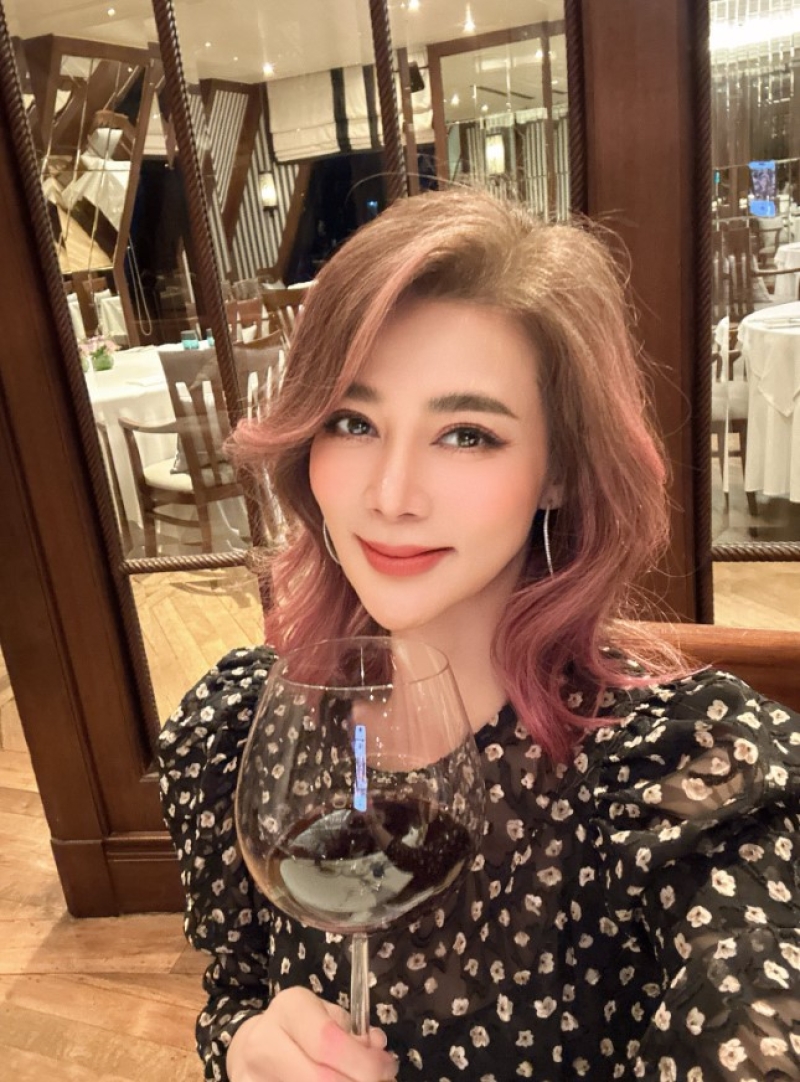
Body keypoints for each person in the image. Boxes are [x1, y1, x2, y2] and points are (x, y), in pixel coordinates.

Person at [158, 187, 800, 1082]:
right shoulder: (246, 729)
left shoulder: (680, 778)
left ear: (559, 471)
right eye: (353, 422)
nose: (390, 494)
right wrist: (243, 1049)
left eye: (466, 434)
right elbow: (234, 990)